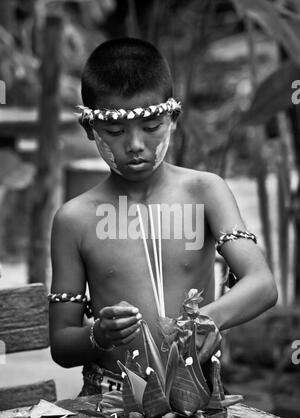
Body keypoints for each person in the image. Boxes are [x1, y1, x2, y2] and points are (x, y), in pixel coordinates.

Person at [48, 37, 278, 396]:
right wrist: (99, 334)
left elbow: (262, 284)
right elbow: (62, 345)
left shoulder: (205, 191)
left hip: (197, 394)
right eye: (115, 131)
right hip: (108, 401)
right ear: (90, 129)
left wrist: (209, 320)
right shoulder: (73, 220)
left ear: (173, 118)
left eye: (152, 126)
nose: (135, 144)